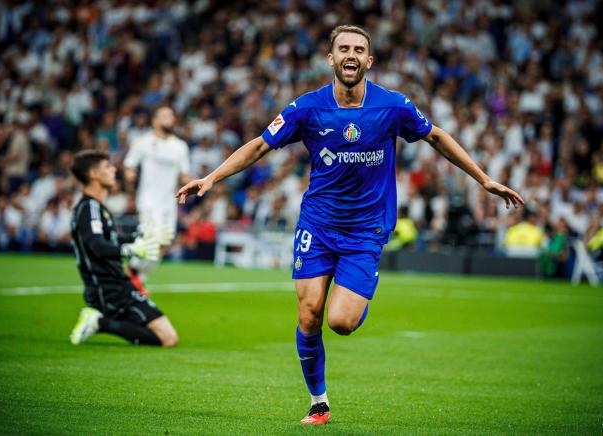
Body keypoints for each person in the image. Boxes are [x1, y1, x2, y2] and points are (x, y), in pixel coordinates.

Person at [176, 25, 524, 424]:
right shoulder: (306, 108)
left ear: (369, 61)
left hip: (366, 229)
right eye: (344, 48)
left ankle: (355, 286)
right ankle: (319, 402)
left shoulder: (392, 106)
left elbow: (437, 137)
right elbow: (258, 145)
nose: (351, 54)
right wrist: (211, 179)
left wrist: (483, 179)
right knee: (309, 313)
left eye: (359, 49)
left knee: (340, 322)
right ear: (331, 58)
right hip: (318, 223)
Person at [69, 150, 179, 347]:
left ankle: (101, 322)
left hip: (118, 284)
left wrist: (143, 236)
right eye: (107, 167)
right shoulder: (89, 208)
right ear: (93, 174)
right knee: (168, 338)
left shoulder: (97, 207)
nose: (113, 170)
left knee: (168, 337)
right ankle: (100, 322)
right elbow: (97, 246)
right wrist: (132, 249)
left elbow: (111, 239)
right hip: (107, 289)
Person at [123, 106, 191, 292]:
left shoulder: (180, 146)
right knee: (152, 239)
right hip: (148, 199)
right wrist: (130, 179)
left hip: (169, 202)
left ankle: (138, 277)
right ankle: (133, 274)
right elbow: (129, 165)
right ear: (154, 120)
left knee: (164, 243)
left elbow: (184, 174)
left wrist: (194, 183)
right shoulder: (143, 142)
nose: (170, 118)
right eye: (164, 115)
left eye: (171, 115)